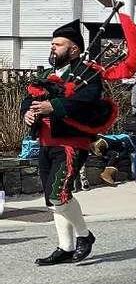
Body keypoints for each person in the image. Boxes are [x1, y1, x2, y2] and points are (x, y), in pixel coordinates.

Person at [23, 20, 110, 265]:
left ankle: (84, 235)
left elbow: (89, 100)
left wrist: (55, 105)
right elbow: (27, 99)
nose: (53, 49)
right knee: (53, 198)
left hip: (71, 142)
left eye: (58, 45)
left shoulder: (88, 73)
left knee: (57, 193)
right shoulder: (47, 75)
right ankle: (66, 246)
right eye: (52, 44)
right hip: (46, 141)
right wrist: (26, 114)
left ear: (74, 49)